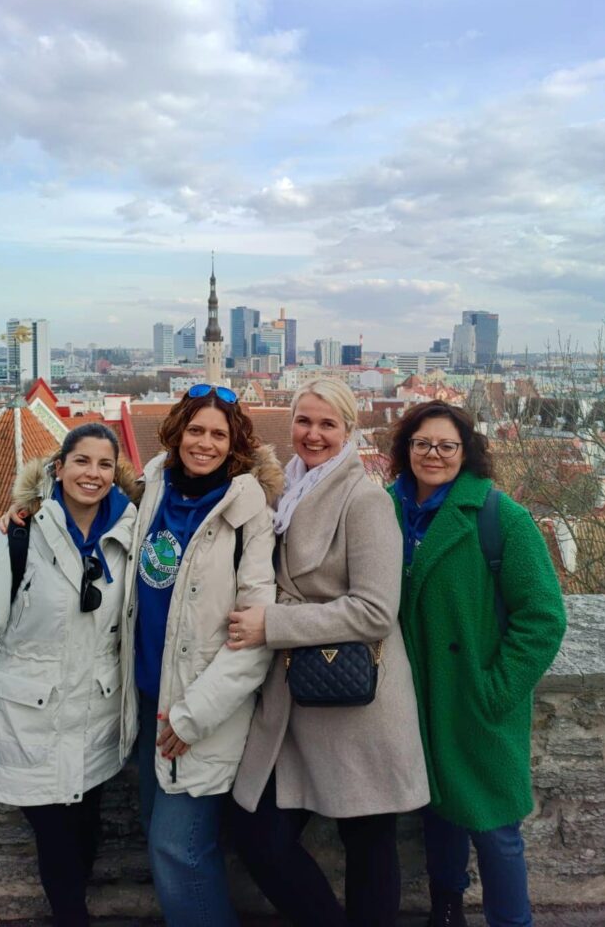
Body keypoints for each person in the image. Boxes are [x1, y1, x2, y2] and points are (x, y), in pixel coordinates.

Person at [3, 385, 282, 927]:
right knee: (166, 841)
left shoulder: (248, 512)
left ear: (234, 444)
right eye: (195, 430)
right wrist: (27, 508)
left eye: (218, 434)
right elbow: (85, 496)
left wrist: (195, 715)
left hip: (201, 711)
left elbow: (255, 633)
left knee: (180, 849)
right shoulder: (152, 486)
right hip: (149, 702)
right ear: (177, 433)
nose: (204, 443)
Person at [0, 423, 139, 927]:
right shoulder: (19, 534)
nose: (93, 473)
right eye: (81, 461)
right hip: (29, 724)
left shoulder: (131, 532)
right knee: (58, 846)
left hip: (95, 725)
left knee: (85, 838)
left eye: (104, 464)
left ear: (116, 474)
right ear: (59, 468)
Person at [227, 378, 430, 927]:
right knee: (257, 835)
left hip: (357, 701)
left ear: (348, 431)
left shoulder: (364, 501)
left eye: (327, 424)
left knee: (368, 843)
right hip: (293, 699)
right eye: (303, 421)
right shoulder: (282, 491)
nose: (313, 434)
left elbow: (375, 611)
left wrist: (274, 623)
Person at [386, 400, 567, 927]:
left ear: (466, 452)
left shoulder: (499, 516)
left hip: (475, 698)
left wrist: (494, 691)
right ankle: (446, 909)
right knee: (438, 811)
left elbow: (543, 617)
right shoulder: (385, 509)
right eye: (422, 443)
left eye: (447, 445)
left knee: (495, 829)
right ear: (406, 448)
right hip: (415, 697)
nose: (433, 454)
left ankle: (512, 921)